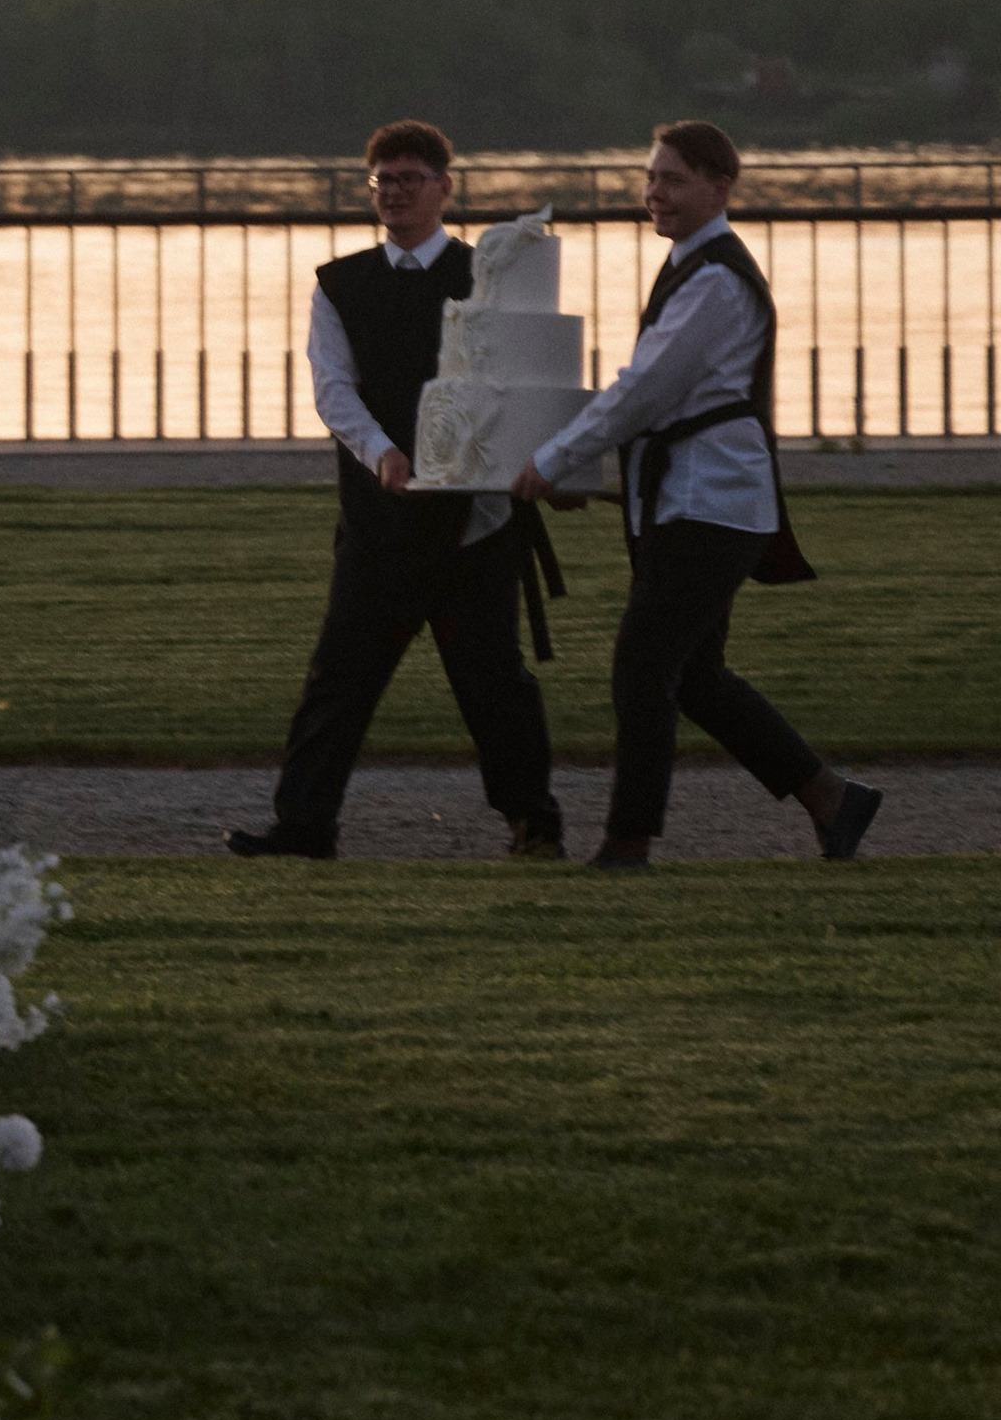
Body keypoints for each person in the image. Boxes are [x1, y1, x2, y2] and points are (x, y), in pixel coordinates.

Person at [511, 118, 880, 867]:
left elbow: (645, 391)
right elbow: (652, 400)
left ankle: (628, 841)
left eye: (673, 179)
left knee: (643, 668)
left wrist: (553, 459)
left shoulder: (712, 279)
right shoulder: (694, 267)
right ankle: (833, 800)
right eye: (650, 178)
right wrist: (573, 467)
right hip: (695, 500)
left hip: (710, 503)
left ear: (721, 187)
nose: (654, 193)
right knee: (698, 679)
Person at [227, 120, 563, 861]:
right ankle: (304, 826)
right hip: (377, 517)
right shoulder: (337, 283)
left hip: (474, 520)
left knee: (493, 680)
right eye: (384, 180)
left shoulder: (492, 276)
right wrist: (383, 455)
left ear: (445, 186)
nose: (396, 192)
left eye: (411, 178)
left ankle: (534, 821)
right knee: (338, 675)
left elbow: (521, 385)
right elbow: (332, 389)